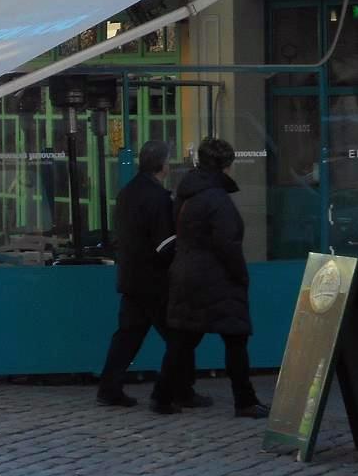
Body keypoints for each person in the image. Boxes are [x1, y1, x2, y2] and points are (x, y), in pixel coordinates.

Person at [94, 140, 204, 414]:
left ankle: (109, 387)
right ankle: (180, 390)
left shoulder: (127, 192)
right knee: (180, 336)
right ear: (163, 165)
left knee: (128, 336)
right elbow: (165, 244)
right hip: (155, 280)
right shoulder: (157, 197)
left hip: (132, 277)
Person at [163, 137, 269, 419]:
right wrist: (240, 275)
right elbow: (227, 244)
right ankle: (244, 400)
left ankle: (163, 394)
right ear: (226, 165)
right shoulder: (217, 199)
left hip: (187, 273)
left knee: (183, 338)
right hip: (216, 279)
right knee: (235, 339)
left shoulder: (188, 192)